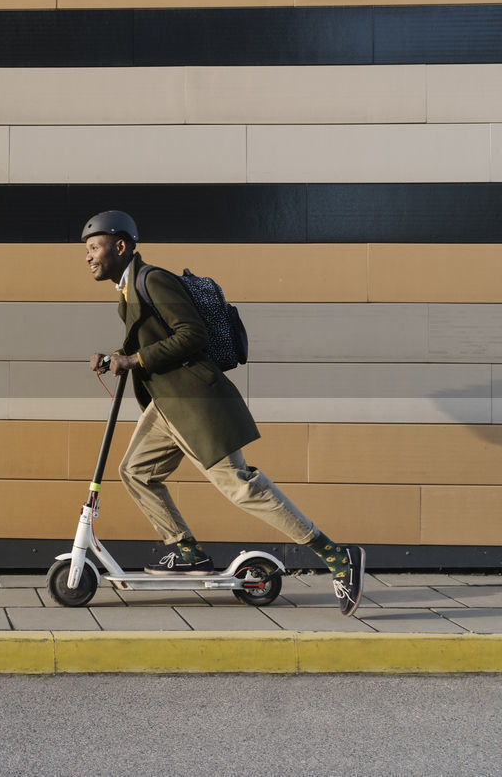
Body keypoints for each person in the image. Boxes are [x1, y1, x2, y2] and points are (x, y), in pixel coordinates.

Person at [81, 210, 365, 616]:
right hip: (169, 405)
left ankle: (338, 555)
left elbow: (191, 334)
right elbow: (155, 343)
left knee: (241, 485)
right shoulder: (127, 292)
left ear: (120, 245)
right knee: (136, 472)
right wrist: (116, 358)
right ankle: (186, 549)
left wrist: (136, 358)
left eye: (95, 247)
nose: (88, 256)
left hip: (196, 404)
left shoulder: (153, 279)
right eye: (87, 250)